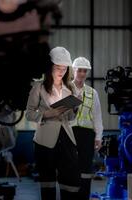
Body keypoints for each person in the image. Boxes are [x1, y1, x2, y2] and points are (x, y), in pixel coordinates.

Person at [25, 47, 80, 200]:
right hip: (45, 140)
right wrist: (47, 114)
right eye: (58, 68)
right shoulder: (39, 87)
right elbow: (29, 113)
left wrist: (74, 109)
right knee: (47, 181)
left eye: (64, 68)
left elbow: (69, 118)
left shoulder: (70, 88)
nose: (61, 71)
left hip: (66, 137)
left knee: (71, 179)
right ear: (50, 67)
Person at [71, 57, 104, 199]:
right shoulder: (65, 90)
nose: (82, 74)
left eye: (85, 71)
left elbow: (97, 116)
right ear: (74, 71)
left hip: (87, 135)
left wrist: (98, 137)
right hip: (69, 133)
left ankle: (84, 196)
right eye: (79, 70)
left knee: (86, 168)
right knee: (70, 166)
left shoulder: (92, 93)